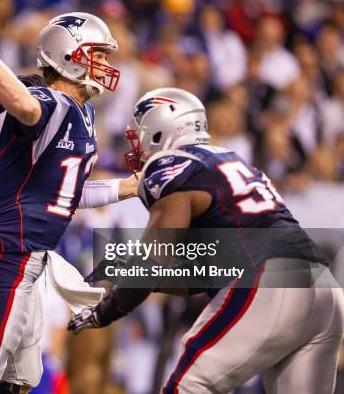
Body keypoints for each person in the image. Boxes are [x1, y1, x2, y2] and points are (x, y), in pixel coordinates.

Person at [68, 87, 344, 394]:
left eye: (141, 133)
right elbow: (208, 274)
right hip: (324, 289)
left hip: (269, 280)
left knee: (186, 388)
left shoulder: (171, 166)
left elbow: (151, 260)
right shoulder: (232, 161)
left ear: (160, 131)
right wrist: (136, 275)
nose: (138, 146)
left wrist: (108, 311)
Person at [0, 7, 140, 394]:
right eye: (98, 54)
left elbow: (63, 196)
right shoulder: (47, 101)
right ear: (68, 55)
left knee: (20, 380)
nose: (105, 63)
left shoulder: (83, 112)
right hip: (8, 253)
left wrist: (128, 187)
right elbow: (24, 106)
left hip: (30, 258)